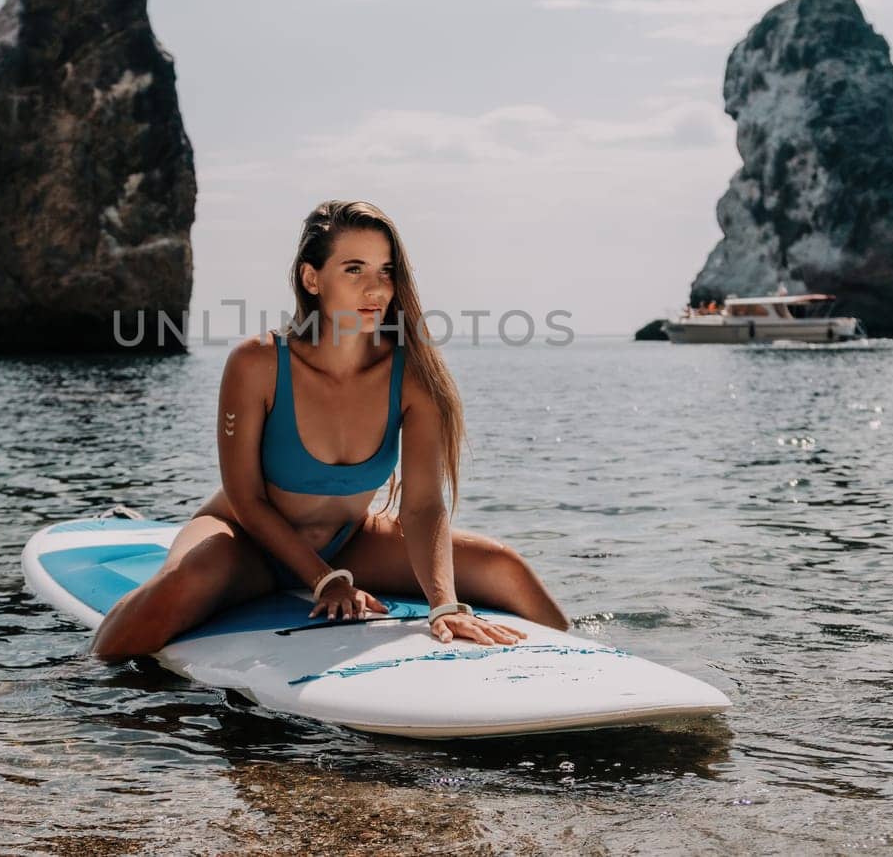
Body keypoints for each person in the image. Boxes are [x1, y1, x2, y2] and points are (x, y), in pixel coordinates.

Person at [91, 200, 569, 659]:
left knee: (505, 568)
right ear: (311, 278)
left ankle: (594, 667)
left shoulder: (413, 376)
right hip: (243, 539)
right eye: (354, 269)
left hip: (349, 541)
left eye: (386, 271)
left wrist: (444, 605)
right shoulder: (257, 363)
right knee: (182, 583)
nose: (376, 289)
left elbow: (422, 506)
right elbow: (246, 498)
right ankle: (77, 684)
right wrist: (325, 579)